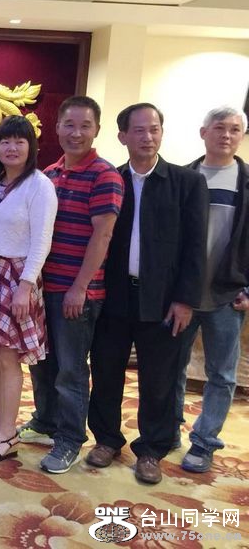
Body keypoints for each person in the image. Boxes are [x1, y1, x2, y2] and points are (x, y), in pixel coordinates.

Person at [87, 103, 208, 485]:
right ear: (122, 136)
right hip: (114, 295)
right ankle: (106, 439)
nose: (148, 137)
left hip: (164, 299)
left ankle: (152, 450)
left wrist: (185, 299)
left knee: (159, 380)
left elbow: (196, 246)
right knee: (106, 371)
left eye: (154, 129)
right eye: (138, 130)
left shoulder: (186, 182)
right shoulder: (111, 179)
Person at [19, 96, 124, 475]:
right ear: (57, 128)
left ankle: (69, 439)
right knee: (41, 363)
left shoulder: (105, 175)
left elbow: (103, 235)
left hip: (76, 293)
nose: (76, 133)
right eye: (69, 124)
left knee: (70, 370)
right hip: (43, 289)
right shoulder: (49, 173)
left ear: (97, 130)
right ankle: (45, 420)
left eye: (85, 126)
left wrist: (80, 288)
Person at [0, 116, 57, 463]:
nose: (12, 148)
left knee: (8, 356)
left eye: (20, 141)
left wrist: (25, 286)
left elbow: (42, 240)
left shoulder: (39, 185)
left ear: (31, 146)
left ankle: (8, 432)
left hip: (18, 276)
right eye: (5, 141)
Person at [175, 106, 249, 473]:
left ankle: (204, 443)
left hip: (227, 295)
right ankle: (168, 431)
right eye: (219, 128)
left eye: (235, 129)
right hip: (182, 297)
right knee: (172, 367)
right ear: (203, 132)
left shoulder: (245, 182)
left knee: (222, 375)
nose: (227, 135)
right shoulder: (182, 178)